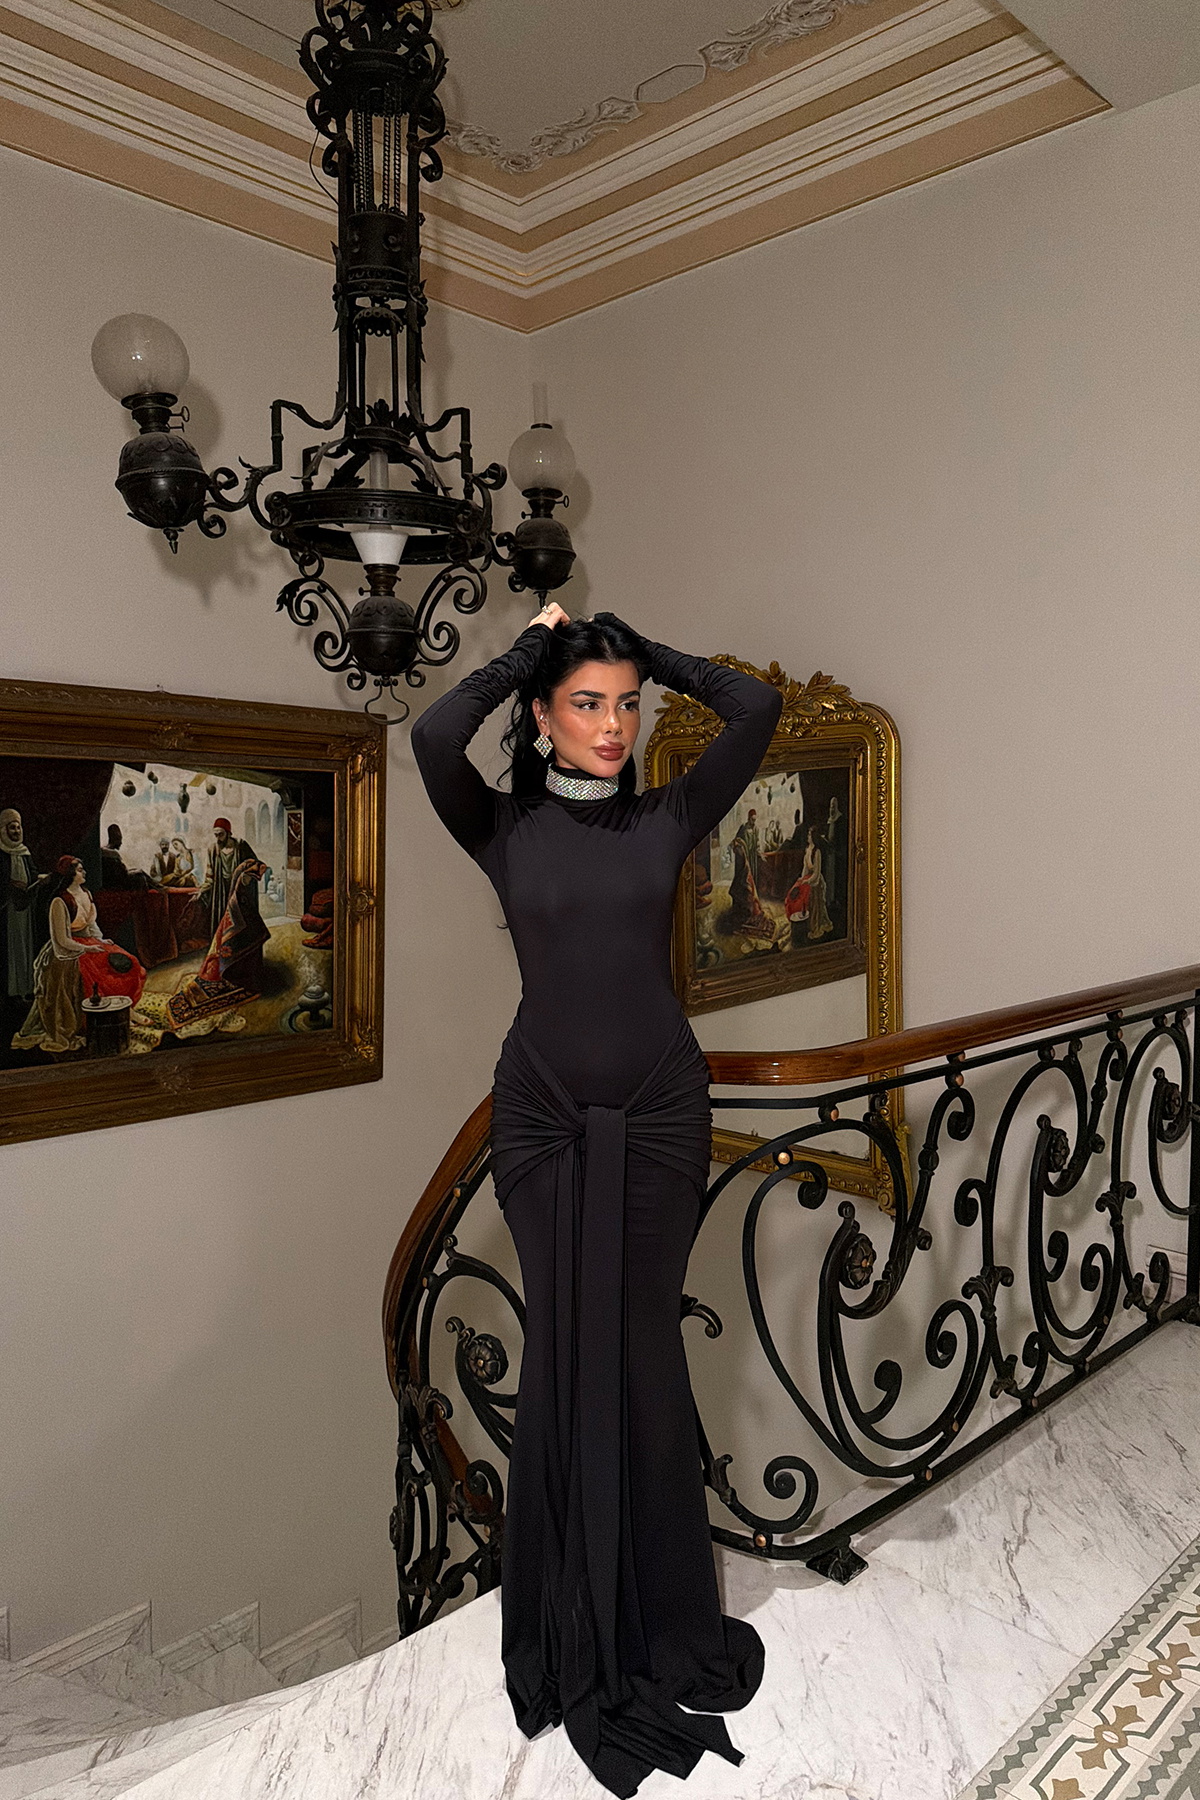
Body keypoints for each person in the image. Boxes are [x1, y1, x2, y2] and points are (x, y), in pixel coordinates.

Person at [412, 604, 780, 1799]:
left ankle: (664, 1620)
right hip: (544, 1119)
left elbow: (757, 708)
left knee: (643, 1354)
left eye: (626, 705)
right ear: (542, 715)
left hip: (664, 1112)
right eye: (587, 704)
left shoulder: (667, 814)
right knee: (567, 1353)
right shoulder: (503, 827)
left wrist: (642, 648)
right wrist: (530, 653)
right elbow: (433, 736)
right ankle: (565, 1621)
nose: (614, 725)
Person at [13, 857, 145, 1054]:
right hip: (69, 950)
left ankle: (125, 1009)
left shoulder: (86, 894)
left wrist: (101, 941)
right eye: (80, 870)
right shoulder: (59, 901)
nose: (84, 873)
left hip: (89, 942)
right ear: (70, 874)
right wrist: (86, 949)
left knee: (130, 962)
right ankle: (114, 1015)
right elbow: (62, 940)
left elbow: (91, 926)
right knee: (92, 974)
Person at [0, 808, 48, 1001]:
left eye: (18, 827)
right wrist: (10, 885)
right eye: (12, 828)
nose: (16, 831)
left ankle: (27, 988)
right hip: (8, 911)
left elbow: (32, 873)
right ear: (4, 830)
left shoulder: (24, 852)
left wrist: (38, 880)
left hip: (25, 910)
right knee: (11, 950)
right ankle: (11, 992)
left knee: (26, 948)